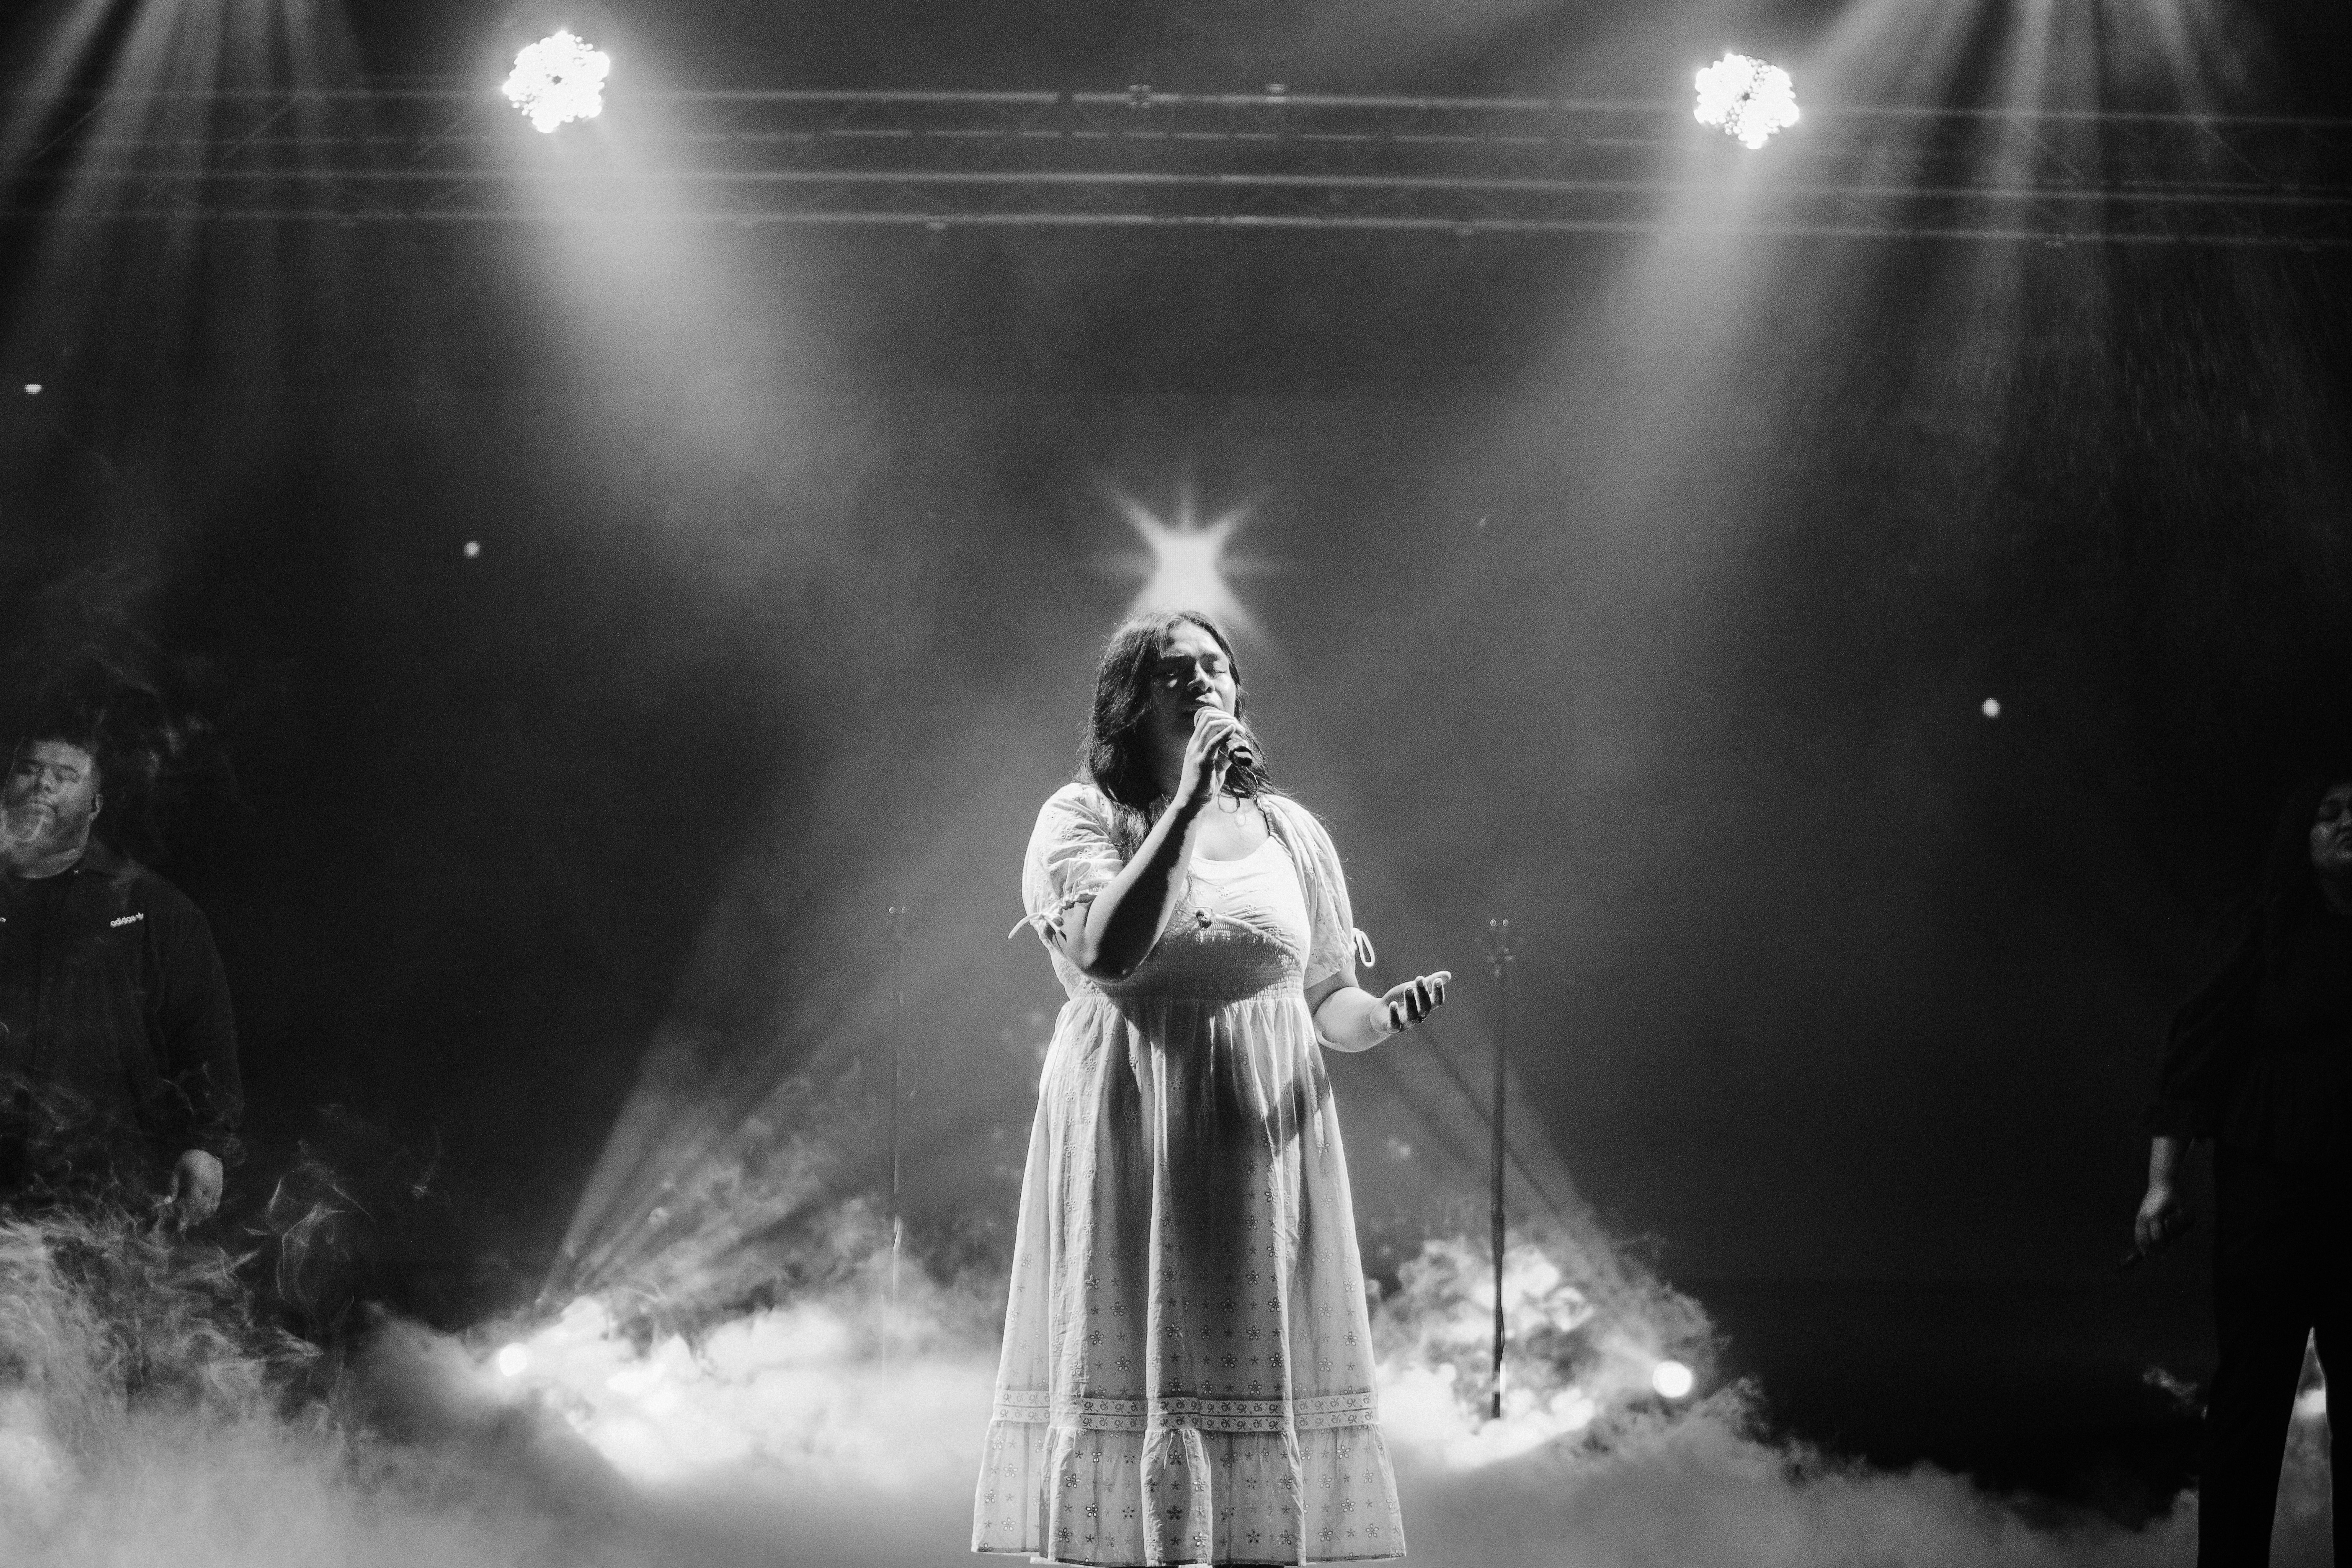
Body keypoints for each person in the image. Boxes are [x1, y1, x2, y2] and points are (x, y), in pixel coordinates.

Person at [974, 610, 1449, 1567]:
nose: (1201, 681)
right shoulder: (1081, 817)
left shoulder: (1292, 834)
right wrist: (1187, 805)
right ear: (1130, 702)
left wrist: (1381, 1016)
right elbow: (1111, 951)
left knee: (1245, 1365)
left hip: (1257, 1137)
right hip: (1132, 1120)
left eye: (1215, 666)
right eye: (1174, 671)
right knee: (1133, 1358)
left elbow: (1328, 998)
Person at [2138, 775, 2352, 1567]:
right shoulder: (2264, 931)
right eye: (2331, 813)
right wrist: (2163, 1182)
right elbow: (2193, 1052)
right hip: (2271, 1194)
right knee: (2251, 1399)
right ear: (2303, 836)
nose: (2349, 824)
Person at [0, 723, 240, 1223]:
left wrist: (206, 1143)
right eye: (29, 769)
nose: (42, 783)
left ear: (95, 806)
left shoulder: (153, 907)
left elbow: (203, 1029)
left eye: (65, 775)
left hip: (108, 1185)